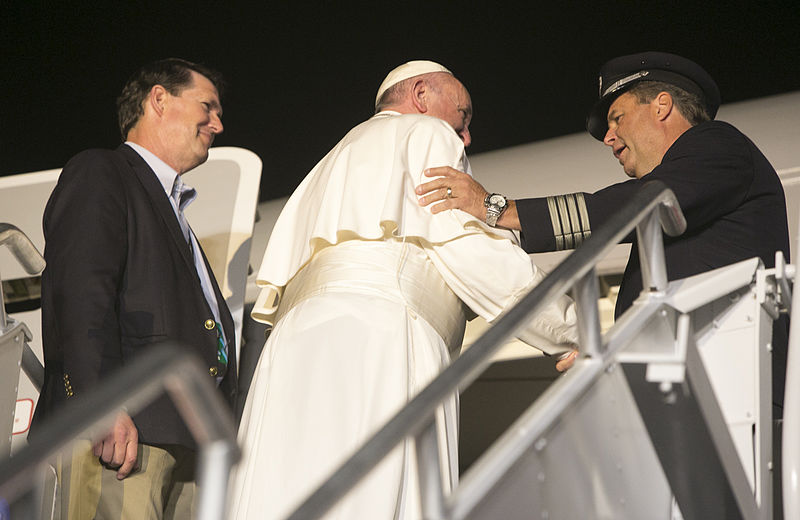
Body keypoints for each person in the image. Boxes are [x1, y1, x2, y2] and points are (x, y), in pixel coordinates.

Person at [228, 60, 578, 519]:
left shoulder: (330, 159)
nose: (466, 136)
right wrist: (572, 330)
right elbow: (474, 254)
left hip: (293, 349)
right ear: (420, 95)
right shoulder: (427, 134)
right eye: (464, 115)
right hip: (381, 336)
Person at [416, 51, 790, 379]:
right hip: (696, 380)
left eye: (617, 118)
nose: (609, 138)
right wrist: (613, 350)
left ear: (661, 106)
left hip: (731, 385)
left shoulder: (719, 144)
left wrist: (496, 209)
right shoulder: (684, 201)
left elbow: (628, 205)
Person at [30, 58, 237, 519]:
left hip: (189, 443)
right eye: (208, 107)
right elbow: (83, 294)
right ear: (158, 99)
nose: (218, 124)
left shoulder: (173, 211)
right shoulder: (101, 172)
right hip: (125, 436)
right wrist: (100, 405)